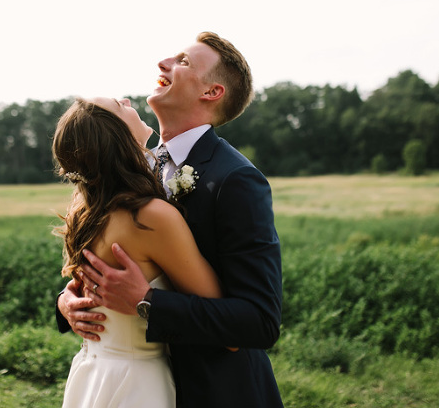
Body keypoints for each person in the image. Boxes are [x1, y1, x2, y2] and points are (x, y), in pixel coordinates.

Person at [56, 32, 284, 407]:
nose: (164, 63)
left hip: (215, 393)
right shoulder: (133, 170)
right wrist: (67, 302)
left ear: (211, 92)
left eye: (183, 62)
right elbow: (111, 262)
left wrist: (147, 303)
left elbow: (259, 321)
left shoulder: (235, 179)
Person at [53, 96, 230, 407]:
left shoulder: (83, 212)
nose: (128, 99)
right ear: (117, 136)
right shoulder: (150, 217)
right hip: (136, 384)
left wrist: (63, 299)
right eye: (120, 105)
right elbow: (222, 323)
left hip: (91, 373)